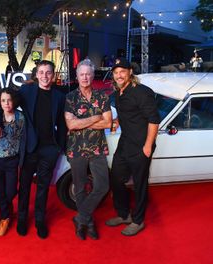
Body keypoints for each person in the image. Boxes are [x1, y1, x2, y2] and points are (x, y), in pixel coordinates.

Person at [0, 60, 67, 239]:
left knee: (43, 187)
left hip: (49, 149)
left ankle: (40, 220)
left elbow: (62, 124)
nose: (45, 76)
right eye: (41, 72)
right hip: (29, 148)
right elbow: (3, 98)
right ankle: (23, 218)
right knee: (24, 186)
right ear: (36, 74)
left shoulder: (59, 96)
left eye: (48, 72)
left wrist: (61, 147)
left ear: (53, 75)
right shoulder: (27, 91)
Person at [105, 57, 160, 236]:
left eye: (122, 71)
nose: (119, 75)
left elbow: (153, 120)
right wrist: (116, 121)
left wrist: (148, 146)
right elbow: (127, 113)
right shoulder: (119, 92)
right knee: (116, 179)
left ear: (130, 72)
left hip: (141, 146)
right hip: (125, 142)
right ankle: (124, 215)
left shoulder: (142, 92)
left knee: (139, 184)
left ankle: (138, 221)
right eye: (116, 72)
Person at [64, 60, 112, 240]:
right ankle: (88, 221)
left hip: (98, 148)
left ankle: (80, 217)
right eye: (81, 74)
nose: (85, 77)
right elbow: (71, 124)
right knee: (80, 187)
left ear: (93, 76)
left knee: (102, 185)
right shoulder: (70, 98)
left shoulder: (103, 96)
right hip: (76, 149)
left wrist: (81, 122)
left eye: (88, 74)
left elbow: (108, 123)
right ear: (77, 76)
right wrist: (96, 117)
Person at [0, 88, 25, 236]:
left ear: (14, 101)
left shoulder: (21, 118)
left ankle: (7, 206)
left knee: (10, 191)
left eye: (9, 100)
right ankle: (4, 217)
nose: (6, 103)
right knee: (0, 191)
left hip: (13, 160)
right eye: (3, 100)